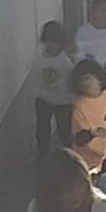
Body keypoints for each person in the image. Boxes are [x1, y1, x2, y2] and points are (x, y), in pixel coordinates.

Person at [34, 22, 77, 157]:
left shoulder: (65, 62)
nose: (51, 46)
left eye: (54, 42)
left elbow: (71, 82)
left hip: (63, 101)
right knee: (42, 128)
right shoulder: (39, 60)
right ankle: (43, 153)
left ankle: (68, 154)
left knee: (64, 129)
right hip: (44, 99)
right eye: (48, 42)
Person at [70, 59, 106, 174]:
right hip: (89, 165)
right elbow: (80, 139)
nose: (85, 84)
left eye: (88, 78)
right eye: (81, 81)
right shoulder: (79, 106)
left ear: (98, 77)